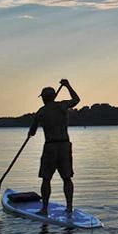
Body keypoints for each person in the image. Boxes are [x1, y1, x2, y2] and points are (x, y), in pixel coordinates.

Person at [28, 79, 80, 216]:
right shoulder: (62, 106)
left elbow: (32, 132)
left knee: (46, 179)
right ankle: (69, 207)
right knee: (67, 178)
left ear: (44, 98)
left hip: (50, 147)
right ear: (54, 97)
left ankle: (44, 209)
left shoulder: (41, 112)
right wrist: (68, 85)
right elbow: (76, 99)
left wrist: (30, 132)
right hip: (64, 145)